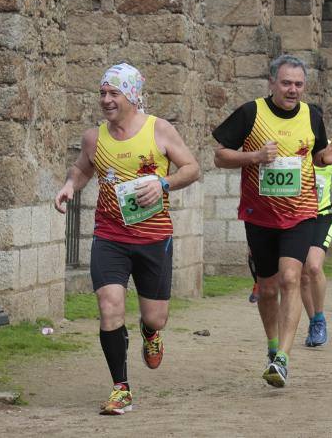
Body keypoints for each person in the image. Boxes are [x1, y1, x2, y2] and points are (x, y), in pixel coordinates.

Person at [54, 63, 200, 415]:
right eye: (102, 93)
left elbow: (191, 169)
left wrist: (163, 183)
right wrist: (70, 186)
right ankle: (120, 387)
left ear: (132, 96)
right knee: (109, 306)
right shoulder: (94, 138)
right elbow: (82, 168)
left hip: (153, 238)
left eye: (113, 93)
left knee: (156, 317)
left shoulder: (159, 130)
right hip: (110, 236)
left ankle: (150, 334)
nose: (106, 100)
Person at [212, 54, 332, 388]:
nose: (293, 90)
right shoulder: (250, 113)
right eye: (286, 83)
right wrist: (254, 156)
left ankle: (283, 359)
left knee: (291, 278)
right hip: (260, 216)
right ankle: (272, 346)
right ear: (271, 82)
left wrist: (325, 158)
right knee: (268, 289)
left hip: (300, 213)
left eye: (299, 84)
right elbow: (220, 155)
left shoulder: (312, 115)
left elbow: (315, 153)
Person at [301, 127, 332, 347]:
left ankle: (320, 318)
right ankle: (313, 322)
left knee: (313, 267)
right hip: (298, 216)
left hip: (322, 216)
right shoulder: (296, 147)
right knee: (302, 275)